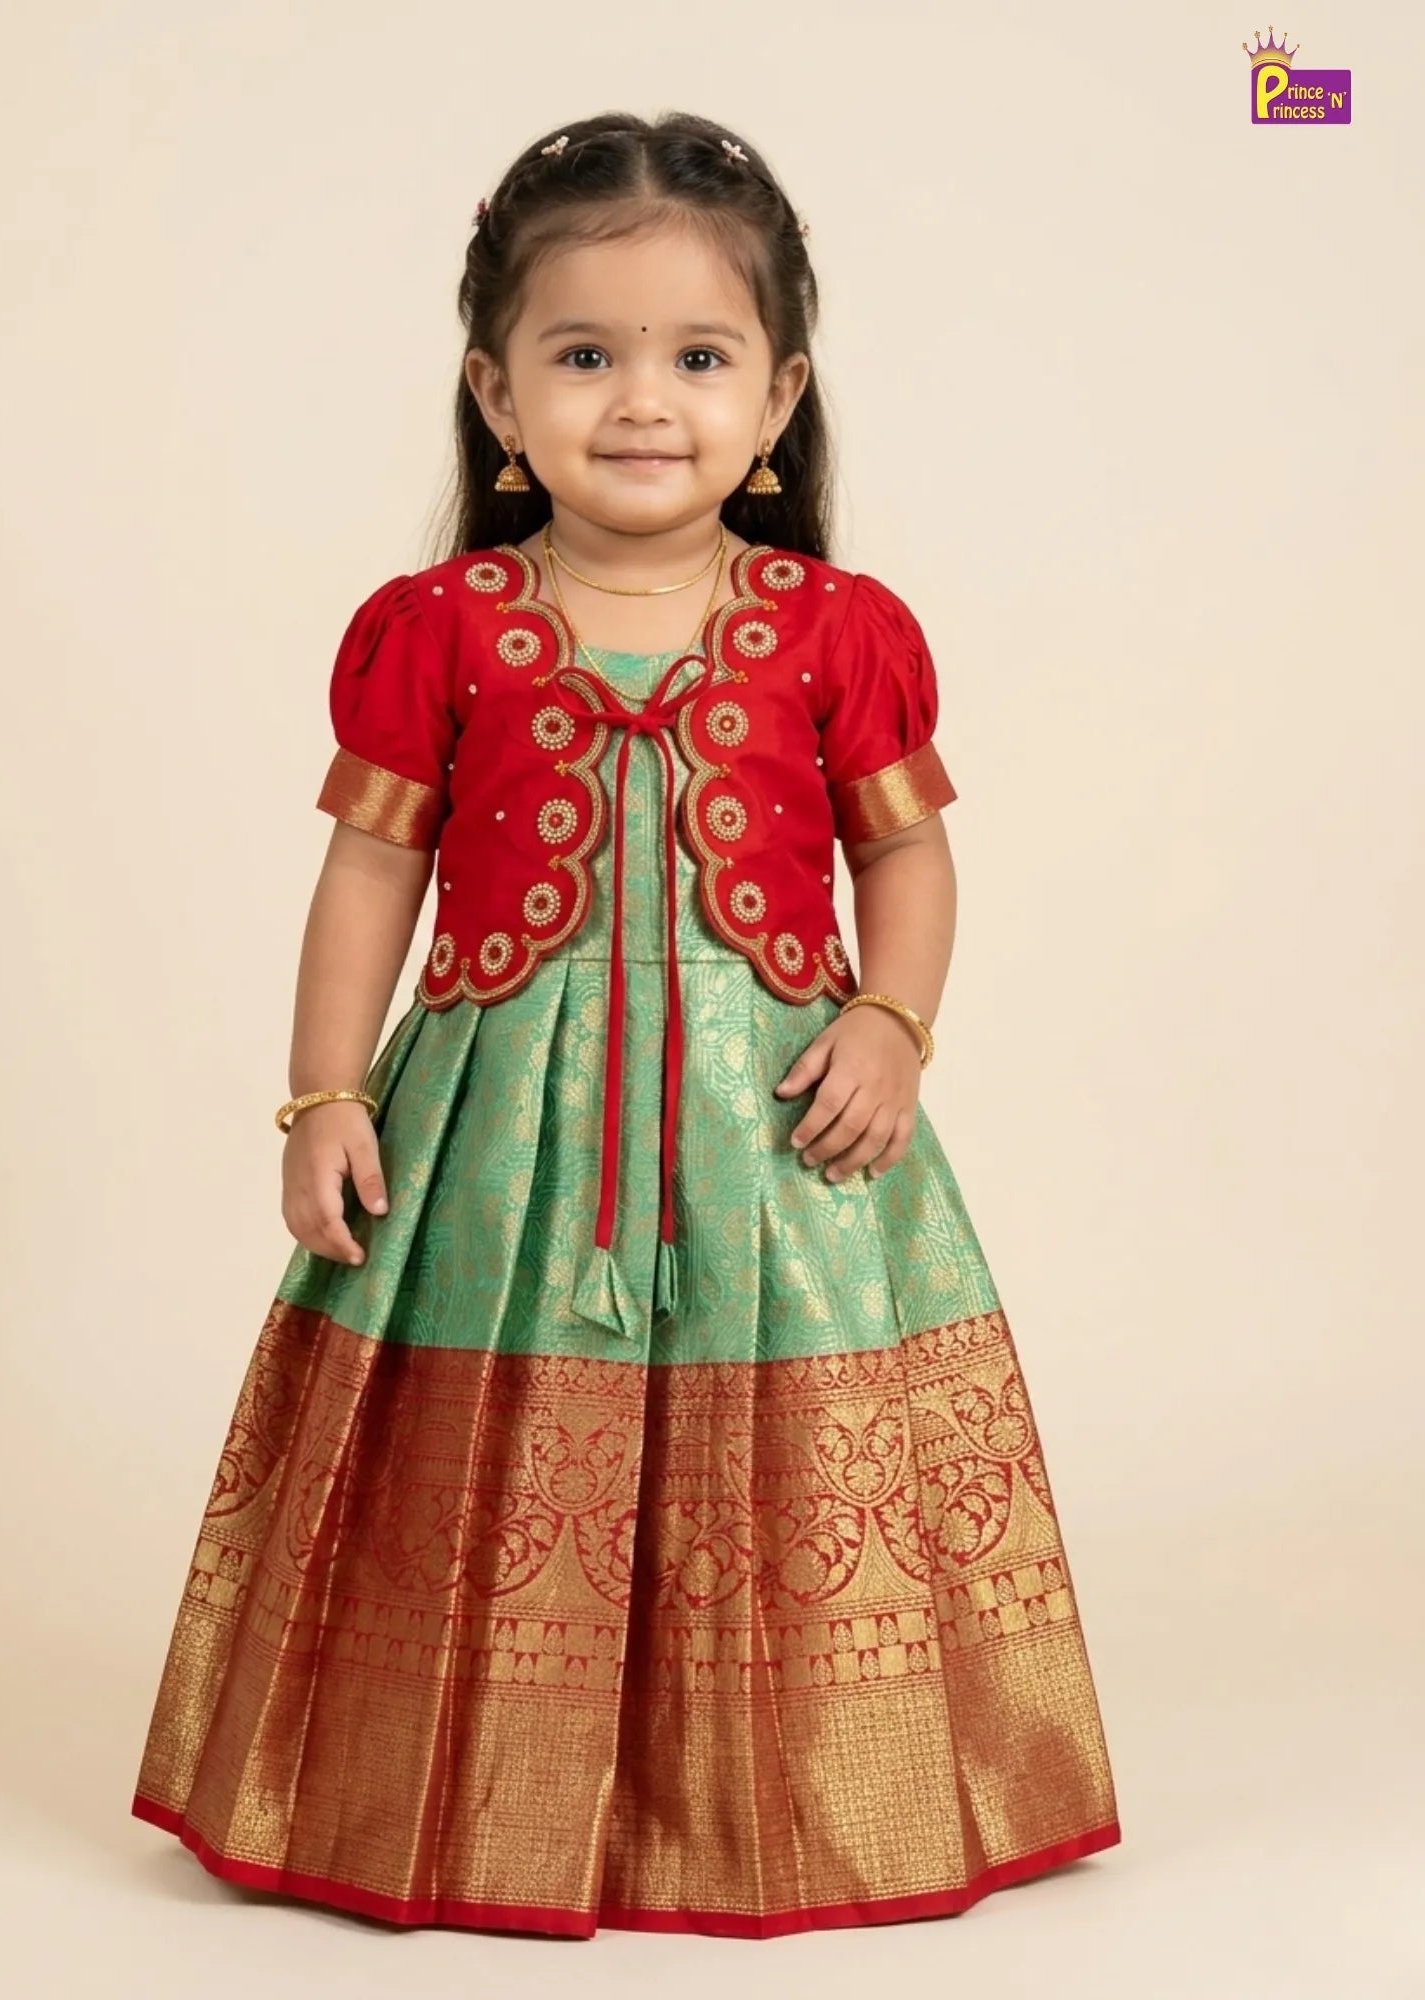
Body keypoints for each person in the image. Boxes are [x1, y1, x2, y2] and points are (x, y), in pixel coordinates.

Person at [129, 109, 1121, 1940]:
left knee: (792, 1470)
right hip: (500, 1145)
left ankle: (782, 1804)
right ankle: (479, 1801)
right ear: (500, 400)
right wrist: (323, 1100)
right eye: (584, 356)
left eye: (697, 357)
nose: (641, 399)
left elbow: (912, 867)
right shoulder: (435, 628)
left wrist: (895, 1024)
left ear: (780, 395)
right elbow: (367, 883)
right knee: (499, 1473)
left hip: (775, 1123)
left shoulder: (840, 629)